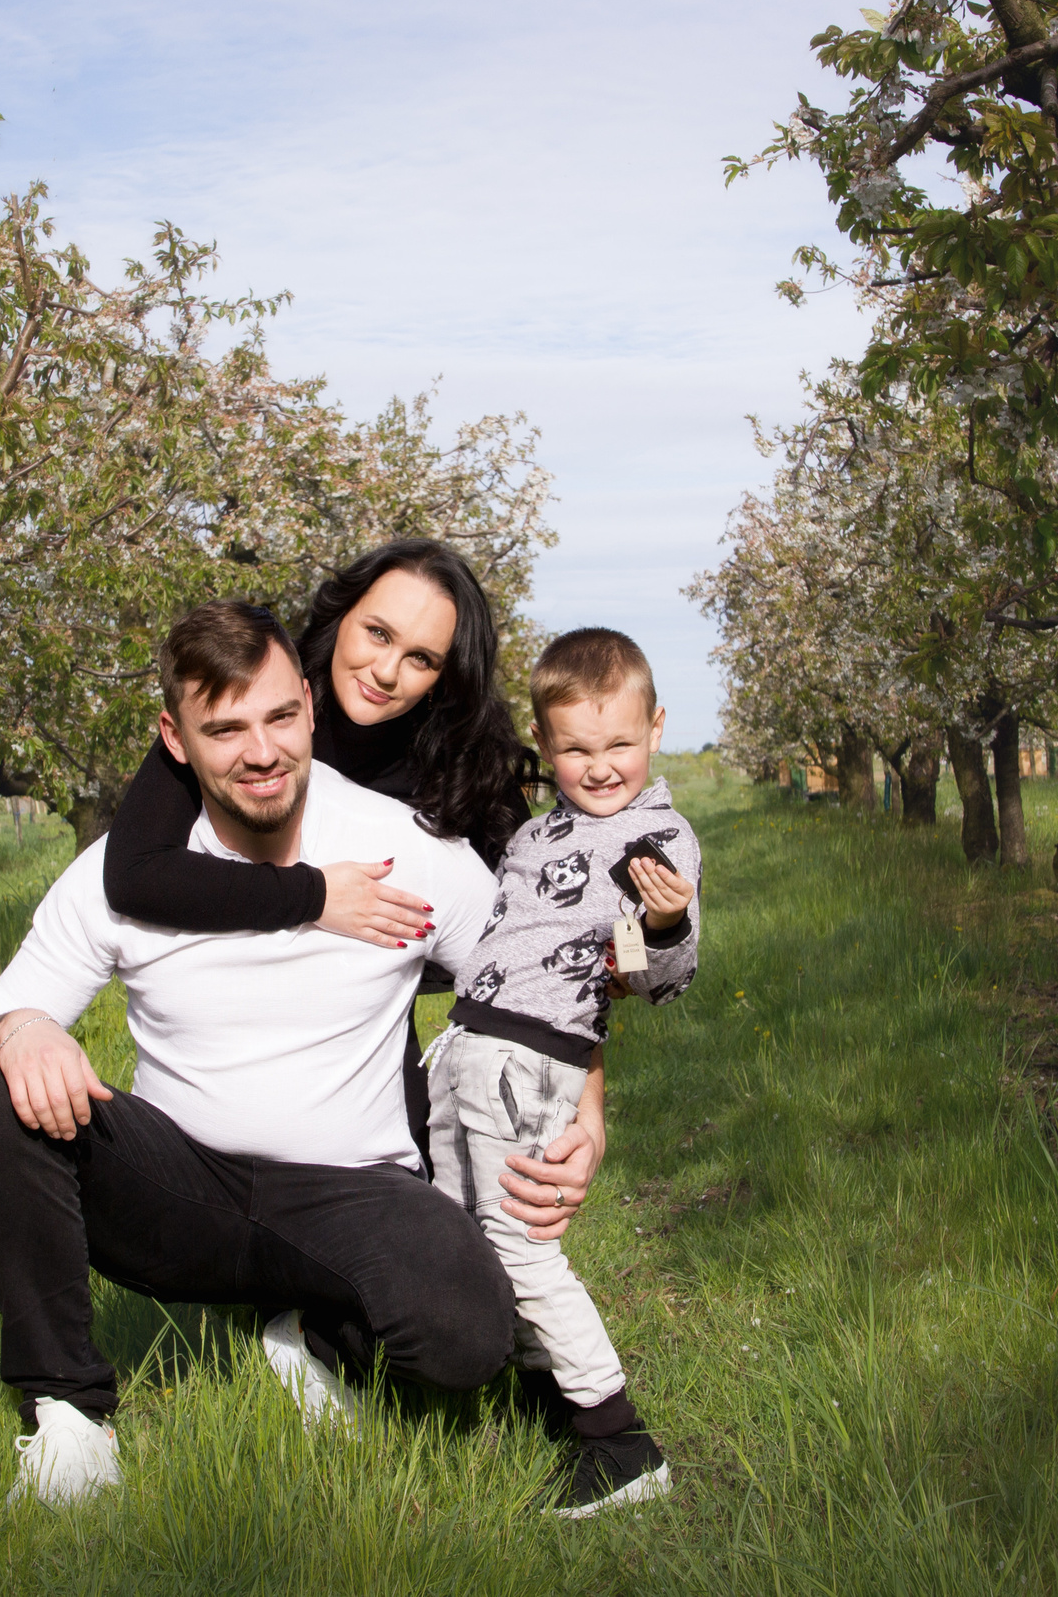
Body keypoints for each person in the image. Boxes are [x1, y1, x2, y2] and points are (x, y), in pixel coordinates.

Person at [0, 601, 516, 1507]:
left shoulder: (405, 848)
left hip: (352, 1188)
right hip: (183, 1192)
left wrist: (586, 1104)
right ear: (174, 737)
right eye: (226, 729)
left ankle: (315, 1336)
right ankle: (69, 1419)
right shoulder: (120, 874)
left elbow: (530, 986)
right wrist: (19, 1028)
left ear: (311, 709)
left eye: (281, 717)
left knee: (472, 1336)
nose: (262, 752)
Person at [99, 537, 599, 1229]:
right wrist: (318, 897)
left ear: (446, 675)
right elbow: (133, 875)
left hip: (374, 1003)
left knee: (435, 1206)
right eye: (378, 633)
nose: (387, 670)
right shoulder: (257, 700)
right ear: (342, 616)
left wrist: (589, 1115)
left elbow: (539, 956)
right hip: (226, 987)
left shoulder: (466, 770)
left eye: (421, 658)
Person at [423, 627, 701, 1518]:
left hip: (531, 1056)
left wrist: (664, 927)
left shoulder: (653, 838)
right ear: (546, 745)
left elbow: (658, 979)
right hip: (469, 1041)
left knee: (520, 1239)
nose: (601, 764)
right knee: (461, 1225)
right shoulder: (541, 832)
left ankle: (618, 1438)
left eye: (619, 743)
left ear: (655, 729)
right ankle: (544, 1390)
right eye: (577, 748)